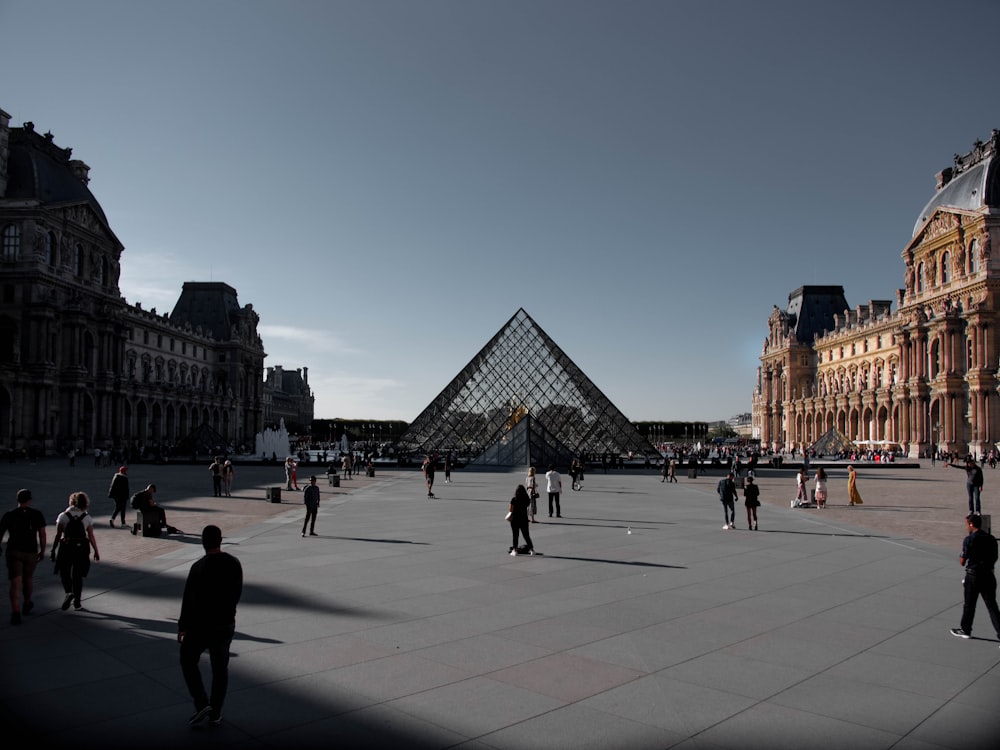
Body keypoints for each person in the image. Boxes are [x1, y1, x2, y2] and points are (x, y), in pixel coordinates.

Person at [178, 525, 243, 728]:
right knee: (220, 669)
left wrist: (183, 626)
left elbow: (188, 600)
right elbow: (237, 592)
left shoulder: (198, 567)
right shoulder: (234, 563)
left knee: (188, 660)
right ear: (221, 540)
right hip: (225, 623)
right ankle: (216, 712)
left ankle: (201, 702)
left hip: (200, 625)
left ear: (203, 543)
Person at [950, 513, 1000, 641]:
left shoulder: (970, 539)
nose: (966, 527)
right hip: (988, 575)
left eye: (967, 524)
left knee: (969, 604)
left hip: (973, 575)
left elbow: (962, 561)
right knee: (992, 606)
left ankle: (966, 629)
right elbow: (994, 558)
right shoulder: (991, 539)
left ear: (971, 524)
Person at [0, 489, 46, 625]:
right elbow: (42, 534)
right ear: (29, 500)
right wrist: (42, 550)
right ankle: (26, 602)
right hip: (31, 551)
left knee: (15, 581)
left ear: (17, 500)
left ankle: (15, 611)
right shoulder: (36, 514)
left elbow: (0, 532)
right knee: (28, 578)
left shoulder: (9, 515)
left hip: (14, 551)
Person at [51, 491, 100, 612]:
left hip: (66, 546)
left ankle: (68, 592)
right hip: (82, 548)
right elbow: (91, 536)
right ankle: (77, 602)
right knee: (78, 575)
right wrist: (96, 551)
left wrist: (53, 549)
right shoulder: (87, 517)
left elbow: (58, 535)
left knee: (64, 572)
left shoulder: (63, 516)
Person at [507, 485, 535, 556]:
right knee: (526, 535)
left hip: (515, 519)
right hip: (524, 519)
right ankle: (532, 550)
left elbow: (510, 509)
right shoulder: (526, 499)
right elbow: (527, 505)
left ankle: (515, 550)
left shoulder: (514, 499)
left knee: (515, 535)